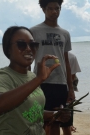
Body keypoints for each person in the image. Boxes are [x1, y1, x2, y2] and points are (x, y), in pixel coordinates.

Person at [0, 26, 70, 135]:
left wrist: (56, 114)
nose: (28, 48)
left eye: (33, 45)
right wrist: (39, 79)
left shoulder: (31, 76)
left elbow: (33, 112)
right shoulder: (3, 76)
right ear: (8, 48)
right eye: (21, 44)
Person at [30, 0, 75, 135]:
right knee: (40, 120)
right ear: (43, 9)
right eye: (50, 8)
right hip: (40, 82)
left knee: (57, 120)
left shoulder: (65, 33)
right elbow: (28, 57)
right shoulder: (33, 31)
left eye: (57, 8)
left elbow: (66, 61)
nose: (54, 12)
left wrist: (70, 88)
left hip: (60, 83)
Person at [68, 51, 81, 133]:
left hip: (69, 82)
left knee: (70, 103)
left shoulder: (71, 57)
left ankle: (70, 124)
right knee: (70, 103)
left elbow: (73, 76)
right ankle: (69, 125)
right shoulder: (72, 56)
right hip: (69, 82)